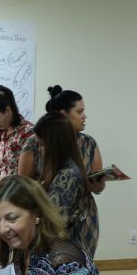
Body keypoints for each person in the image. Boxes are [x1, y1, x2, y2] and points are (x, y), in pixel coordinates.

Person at [18, 85, 105, 254]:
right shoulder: (35, 143)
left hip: (82, 220)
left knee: (76, 265)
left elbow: (97, 186)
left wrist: (96, 184)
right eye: (79, 112)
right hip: (50, 221)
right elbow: (23, 186)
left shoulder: (88, 143)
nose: (84, 116)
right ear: (63, 114)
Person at [31, 111, 95, 256]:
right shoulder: (62, 170)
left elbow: (53, 223)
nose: (39, 150)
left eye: (42, 145)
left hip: (64, 253)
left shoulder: (67, 176)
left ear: (55, 145)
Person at [0, 85, 34, 191]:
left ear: (8, 110)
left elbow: (25, 179)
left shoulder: (28, 133)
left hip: (20, 194)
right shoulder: (0, 133)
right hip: (2, 192)